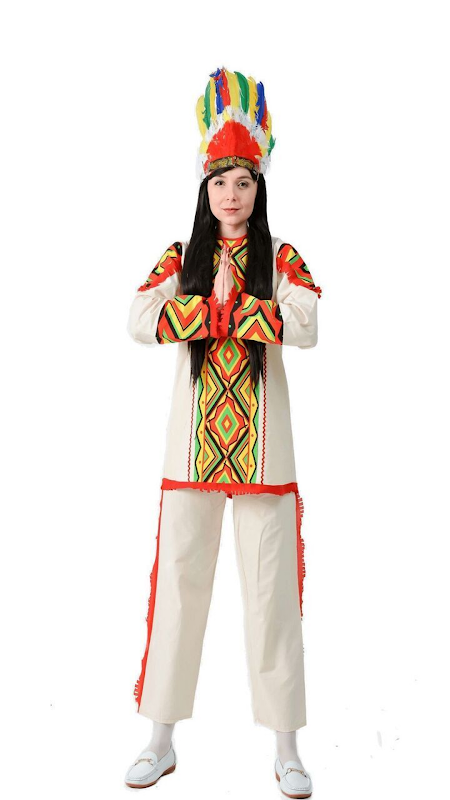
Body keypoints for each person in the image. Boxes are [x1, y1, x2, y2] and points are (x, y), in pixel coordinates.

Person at [124, 66, 322, 797]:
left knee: (272, 595)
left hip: (264, 454)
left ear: (258, 188)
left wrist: (242, 312)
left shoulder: (281, 258)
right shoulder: (182, 258)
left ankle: (287, 746)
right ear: (204, 190)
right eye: (220, 183)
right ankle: (160, 738)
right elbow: (139, 318)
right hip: (193, 452)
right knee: (178, 588)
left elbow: (307, 323)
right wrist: (201, 311)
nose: (231, 194)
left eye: (243, 182)